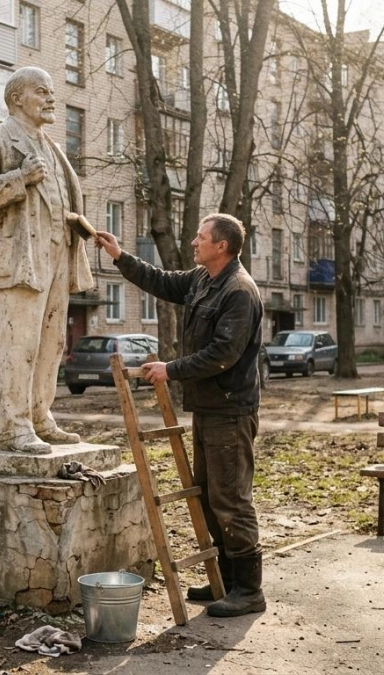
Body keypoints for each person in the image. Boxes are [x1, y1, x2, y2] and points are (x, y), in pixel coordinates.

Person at [93, 215, 266, 618]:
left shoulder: (239, 291)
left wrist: (170, 369)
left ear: (221, 246)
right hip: (209, 408)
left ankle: (249, 590)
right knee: (209, 495)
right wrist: (119, 256)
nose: (193, 242)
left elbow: (223, 353)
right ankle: (226, 581)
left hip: (231, 411)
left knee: (231, 499)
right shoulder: (204, 279)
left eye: (201, 237)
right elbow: (162, 281)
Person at [0, 67, 94, 455]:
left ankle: (40, 416)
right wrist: (20, 177)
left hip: (57, 256)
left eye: (52, 91)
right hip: (19, 260)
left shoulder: (52, 147)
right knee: (18, 344)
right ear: (17, 98)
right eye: (42, 91)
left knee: (51, 343)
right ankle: (14, 427)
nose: (51, 98)